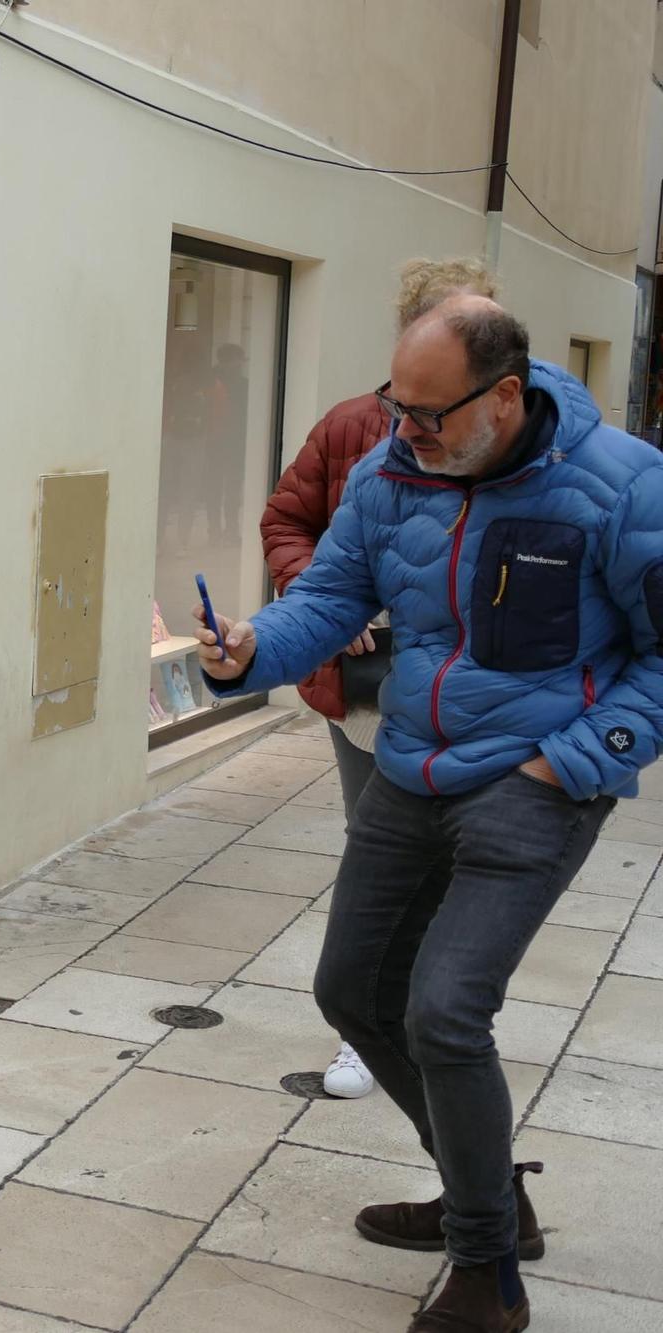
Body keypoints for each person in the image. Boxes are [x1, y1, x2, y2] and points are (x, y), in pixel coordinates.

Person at [200, 294, 663, 1332]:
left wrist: (574, 762)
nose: (402, 432)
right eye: (392, 406)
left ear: (502, 398)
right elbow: (325, 599)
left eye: (426, 414)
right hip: (407, 771)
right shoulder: (387, 473)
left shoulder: (623, 486)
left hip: (532, 783)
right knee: (352, 992)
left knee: (443, 1012)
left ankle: (485, 1268)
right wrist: (248, 651)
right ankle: (486, 1188)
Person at [261, 257, 501, 1101]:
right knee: (379, 846)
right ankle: (372, 1026)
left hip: (474, 696)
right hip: (366, 684)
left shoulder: (518, 443)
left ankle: (443, 1015)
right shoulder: (353, 429)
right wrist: (316, 593)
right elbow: (287, 519)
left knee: (463, 862)